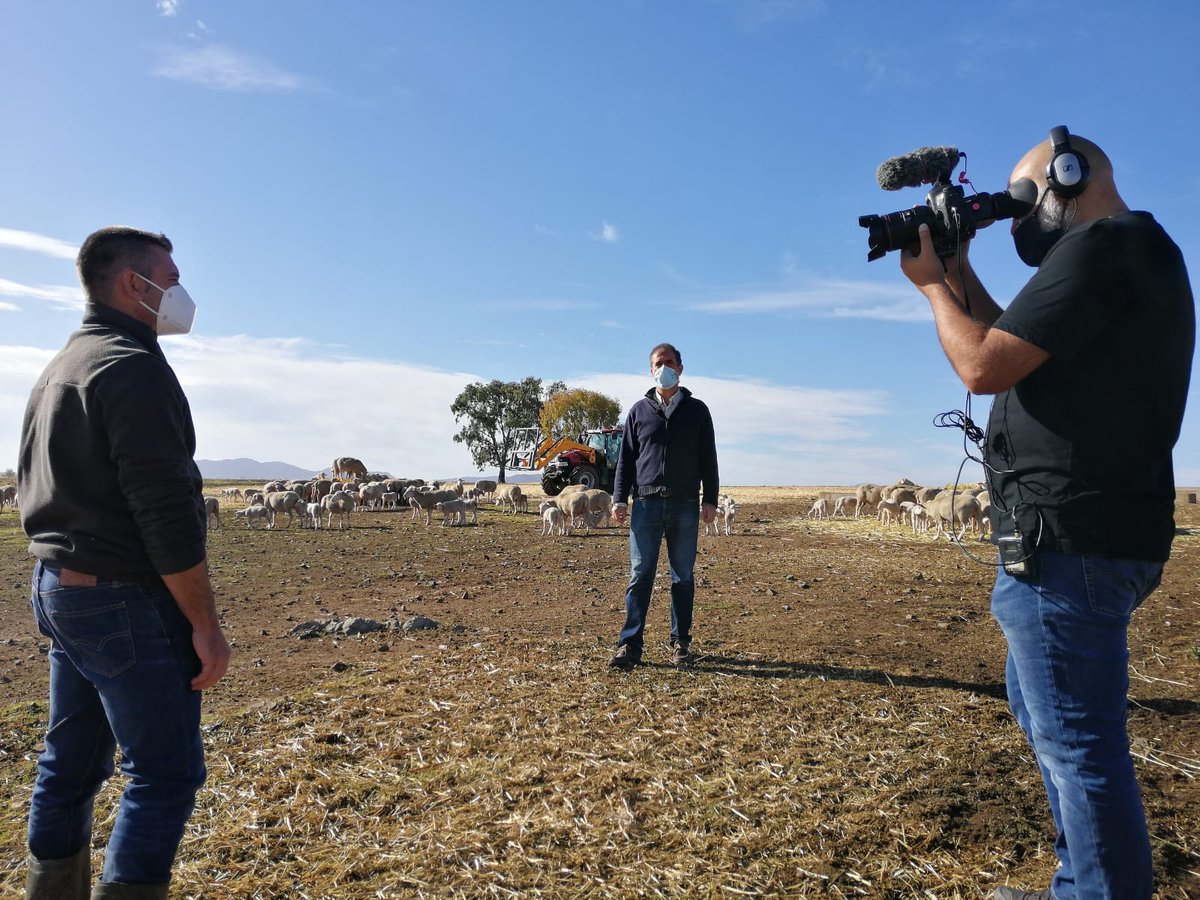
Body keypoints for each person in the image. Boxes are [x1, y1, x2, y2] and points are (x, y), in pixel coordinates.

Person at [898, 129, 1194, 900]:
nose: (1017, 221)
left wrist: (932, 289)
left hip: (1071, 540)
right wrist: (958, 265)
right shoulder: (1131, 253)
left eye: (1022, 202)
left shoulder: (1103, 248)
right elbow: (1010, 340)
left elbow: (981, 363)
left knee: (1078, 746)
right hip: (1080, 537)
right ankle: (1080, 880)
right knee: (1052, 724)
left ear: (1072, 174)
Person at [19, 227, 231, 899]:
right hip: (120, 596)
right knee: (163, 772)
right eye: (168, 277)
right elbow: (164, 511)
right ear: (130, 285)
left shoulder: (63, 365)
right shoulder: (131, 367)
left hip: (60, 589)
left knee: (71, 763)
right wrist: (203, 622)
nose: (179, 291)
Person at [609, 342, 720, 669]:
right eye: (658, 363)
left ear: (681, 369)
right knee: (640, 574)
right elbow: (625, 461)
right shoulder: (638, 411)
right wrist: (619, 498)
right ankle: (630, 644)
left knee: (682, 576)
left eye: (669, 362)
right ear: (651, 369)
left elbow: (708, 458)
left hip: (685, 504)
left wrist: (710, 499)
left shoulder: (698, 410)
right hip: (645, 505)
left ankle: (680, 643)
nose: (664, 368)